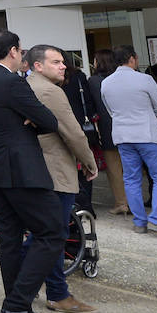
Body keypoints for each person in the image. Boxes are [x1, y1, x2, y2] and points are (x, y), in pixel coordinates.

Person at [0, 29, 63, 313]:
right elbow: (49, 121)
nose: (23, 55)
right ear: (12, 51)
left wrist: (27, 118)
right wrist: (31, 118)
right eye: (21, 50)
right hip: (22, 169)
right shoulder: (11, 82)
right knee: (51, 232)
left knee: (10, 237)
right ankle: (17, 305)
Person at [24, 46, 99, 313]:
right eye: (55, 62)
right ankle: (57, 293)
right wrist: (90, 162)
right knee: (53, 235)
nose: (63, 66)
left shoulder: (27, 85)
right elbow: (74, 134)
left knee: (43, 234)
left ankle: (24, 284)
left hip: (35, 169)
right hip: (55, 170)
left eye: (63, 62)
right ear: (37, 65)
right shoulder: (50, 92)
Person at [100, 46, 157, 238]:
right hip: (148, 135)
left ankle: (139, 222)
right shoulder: (144, 79)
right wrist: (156, 126)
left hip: (123, 137)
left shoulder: (106, 83)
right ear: (132, 59)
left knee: (131, 179)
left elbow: (110, 111)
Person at [87, 49, 130, 215]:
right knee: (130, 168)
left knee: (114, 169)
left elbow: (93, 106)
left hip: (107, 129)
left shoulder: (94, 81)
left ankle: (121, 203)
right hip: (128, 127)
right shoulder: (123, 78)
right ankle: (134, 202)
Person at [60, 51, 100, 213]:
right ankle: (86, 205)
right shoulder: (79, 76)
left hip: (62, 127)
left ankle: (73, 205)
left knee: (68, 167)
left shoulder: (53, 80)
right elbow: (88, 101)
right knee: (85, 166)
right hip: (81, 125)